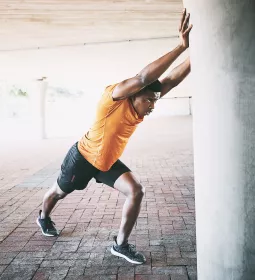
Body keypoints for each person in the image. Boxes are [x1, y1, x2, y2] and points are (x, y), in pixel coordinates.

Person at [37, 9, 193, 264]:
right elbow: (144, 77)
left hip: (107, 162)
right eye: (149, 101)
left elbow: (171, 81)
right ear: (134, 94)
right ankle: (43, 216)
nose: (153, 106)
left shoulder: (142, 103)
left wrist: (195, 54)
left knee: (136, 191)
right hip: (83, 158)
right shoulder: (113, 97)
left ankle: (120, 244)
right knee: (58, 193)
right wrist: (181, 46)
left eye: (154, 101)